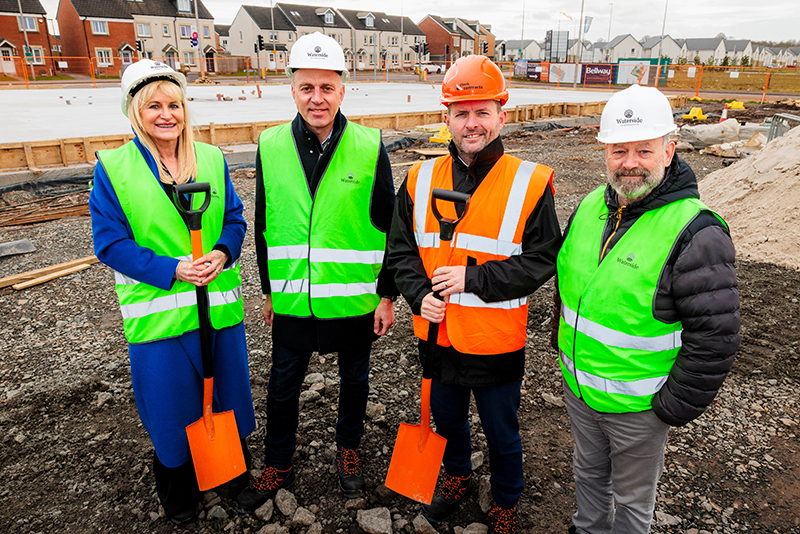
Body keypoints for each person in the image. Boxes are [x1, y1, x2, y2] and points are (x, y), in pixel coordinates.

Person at [553, 84, 740, 534]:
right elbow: (569, 292)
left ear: (669, 149)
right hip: (581, 394)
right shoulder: (589, 209)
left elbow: (715, 339)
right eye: (619, 150)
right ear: (605, 151)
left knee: (634, 503)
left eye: (644, 149)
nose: (630, 162)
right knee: (589, 477)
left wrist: (668, 408)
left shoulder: (696, 231)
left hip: (640, 409)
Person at [387, 55, 562, 534]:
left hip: (494, 338)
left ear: (501, 115)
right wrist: (417, 293)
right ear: (446, 118)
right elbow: (401, 249)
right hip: (437, 334)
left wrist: (474, 279)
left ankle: (506, 498)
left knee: (502, 431)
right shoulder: (420, 179)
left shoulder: (529, 183)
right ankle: (458, 476)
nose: (472, 123)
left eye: (481, 112)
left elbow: (543, 258)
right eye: (461, 113)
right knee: (448, 421)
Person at [89, 59, 255, 525]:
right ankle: (179, 492)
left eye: (174, 104)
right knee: (170, 405)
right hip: (159, 316)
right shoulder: (113, 167)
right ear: (135, 112)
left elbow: (235, 219)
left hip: (218, 309)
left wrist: (223, 252)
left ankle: (231, 474)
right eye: (154, 106)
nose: (167, 114)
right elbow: (110, 243)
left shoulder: (213, 159)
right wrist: (172, 269)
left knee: (228, 396)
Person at [236, 32, 397, 512]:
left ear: (342, 89)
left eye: (327, 87)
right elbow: (266, 223)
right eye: (307, 87)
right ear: (293, 88)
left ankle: (348, 452)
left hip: (353, 300)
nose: (317, 98)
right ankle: (278, 461)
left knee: (355, 383)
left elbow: (390, 228)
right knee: (281, 387)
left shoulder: (369, 145)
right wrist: (268, 289)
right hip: (292, 298)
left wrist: (387, 294)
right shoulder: (271, 145)